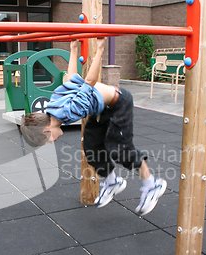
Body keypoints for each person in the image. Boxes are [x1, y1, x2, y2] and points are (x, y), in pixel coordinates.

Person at [20, 38, 166, 215]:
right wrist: (73, 50)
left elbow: (89, 81)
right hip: (102, 109)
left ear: (46, 129)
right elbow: (71, 79)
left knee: (119, 148)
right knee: (91, 147)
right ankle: (112, 182)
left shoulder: (69, 111)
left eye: (48, 139)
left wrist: (100, 50)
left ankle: (152, 184)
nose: (52, 142)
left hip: (119, 103)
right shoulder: (52, 106)